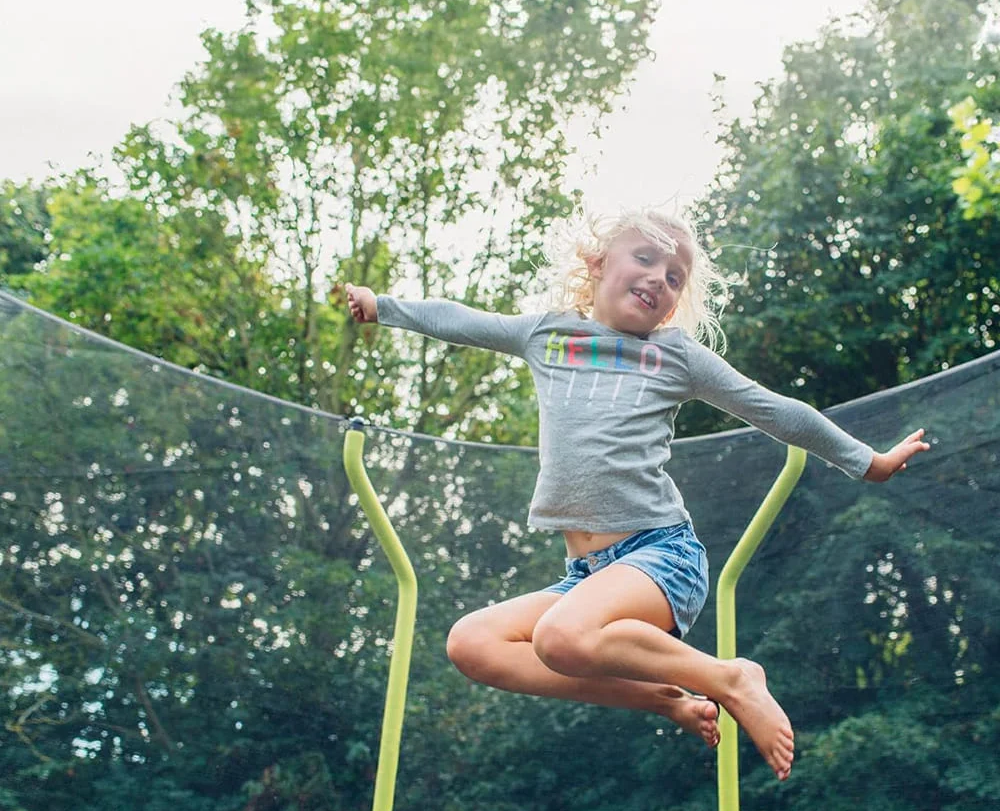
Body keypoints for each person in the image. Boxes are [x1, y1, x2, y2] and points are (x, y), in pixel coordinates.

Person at [345, 210, 928, 781]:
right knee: (473, 643)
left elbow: (775, 409)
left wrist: (867, 461)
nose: (659, 278)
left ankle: (732, 678)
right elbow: (462, 319)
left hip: (661, 555)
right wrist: (383, 308)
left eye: (675, 277)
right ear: (597, 263)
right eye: (645, 258)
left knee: (561, 637)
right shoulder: (547, 335)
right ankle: (659, 698)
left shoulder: (673, 356)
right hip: (587, 575)